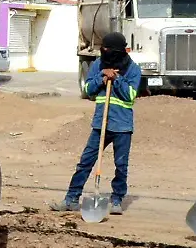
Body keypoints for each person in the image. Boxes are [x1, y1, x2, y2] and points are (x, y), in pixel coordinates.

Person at [51, 32, 140, 215]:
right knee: (85, 162)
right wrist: (101, 78)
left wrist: (116, 79)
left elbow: (130, 95)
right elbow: (88, 90)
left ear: (117, 51)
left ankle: (116, 200)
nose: (104, 52)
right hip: (101, 123)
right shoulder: (99, 65)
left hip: (122, 126)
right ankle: (71, 199)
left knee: (121, 165)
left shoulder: (133, 69)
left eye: (108, 49)